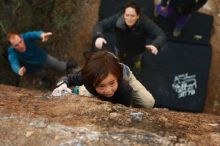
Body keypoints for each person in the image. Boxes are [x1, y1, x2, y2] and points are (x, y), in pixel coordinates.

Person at [52, 50, 155, 108]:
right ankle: (78, 90)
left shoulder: (124, 88)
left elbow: (125, 110)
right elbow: (67, 78)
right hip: (98, 81)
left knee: (149, 102)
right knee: (87, 95)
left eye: (111, 84)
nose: (109, 90)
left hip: (124, 75)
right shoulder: (87, 76)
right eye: (101, 86)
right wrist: (62, 85)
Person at [93, 1, 166, 74]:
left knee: (137, 58)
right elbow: (100, 25)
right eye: (127, 15)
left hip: (137, 48)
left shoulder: (145, 22)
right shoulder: (118, 18)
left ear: (138, 16)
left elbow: (161, 34)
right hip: (120, 45)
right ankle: (119, 61)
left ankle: (137, 64)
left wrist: (156, 45)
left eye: (132, 16)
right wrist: (99, 36)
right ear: (124, 14)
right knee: (118, 56)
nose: (129, 18)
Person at [7, 31, 77, 86]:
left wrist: (42, 35)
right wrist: (18, 70)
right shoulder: (12, 53)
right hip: (34, 69)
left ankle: (66, 67)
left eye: (20, 42)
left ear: (21, 38)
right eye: (16, 45)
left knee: (57, 64)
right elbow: (14, 63)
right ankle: (47, 80)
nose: (20, 45)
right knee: (42, 75)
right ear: (13, 46)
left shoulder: (25, 37)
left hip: (43, 57)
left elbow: (34, 34)